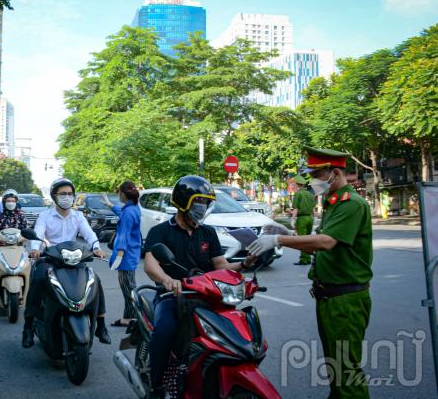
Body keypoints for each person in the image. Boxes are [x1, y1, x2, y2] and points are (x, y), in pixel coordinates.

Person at [247, 147, 373, 399]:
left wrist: (279, 240)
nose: (313, 180)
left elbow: (326, 242)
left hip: (345, 301)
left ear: (334, 173)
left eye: (317, 174)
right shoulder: (334, 203)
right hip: (331, 297)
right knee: (336, 368)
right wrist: (290, 234)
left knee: (346, 371)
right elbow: (326, 246)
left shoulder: (351, 204)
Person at [143, 175, 257, 398]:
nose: (203, 208)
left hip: (206, 296)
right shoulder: (160, 231)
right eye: (199, 202)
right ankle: (156, 386)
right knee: (164, 331)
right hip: (173, 296)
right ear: (184, 202)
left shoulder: (208, 232)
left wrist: (244, 264)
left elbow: (220, 266)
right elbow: (150, 264)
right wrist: (167, 280)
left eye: (206, 203)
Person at [23, 178, 111, 348]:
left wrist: (96, 247)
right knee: (39, 279)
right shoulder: (45, 216)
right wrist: (35, 248)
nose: (67, 197)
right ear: (54, 196)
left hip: (74, 260)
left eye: (70, 194)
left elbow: (89, 234)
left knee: (95, 281)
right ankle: (28, 327)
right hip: (49, 259)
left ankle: (101, 325)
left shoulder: (78, 216)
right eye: (63, 194)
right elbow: (38, 234)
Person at [102, 181, 141, 327]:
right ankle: (129, 317)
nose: (118, 195)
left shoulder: (129, 212)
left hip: (125, 257)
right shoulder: (133, 208)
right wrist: (109, 204)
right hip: (131, 255)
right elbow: (121, 212)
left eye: (119, 192)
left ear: (123, 194)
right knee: (130, 288)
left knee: (129, 290)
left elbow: (123, 237)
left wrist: (118, 257)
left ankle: (133, 319)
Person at [291, 174, 315, 265]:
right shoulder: (310, 194)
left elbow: (296, 209)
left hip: (302, 219)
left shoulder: (298, 194)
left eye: (294, 184)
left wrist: (293, 219)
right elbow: (313, 208)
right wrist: (314, 217)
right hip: (310, 218)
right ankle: (308, 258)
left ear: (297, 184)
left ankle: (304, 260)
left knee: (302, 240)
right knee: (308, 239)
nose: (293, 185)